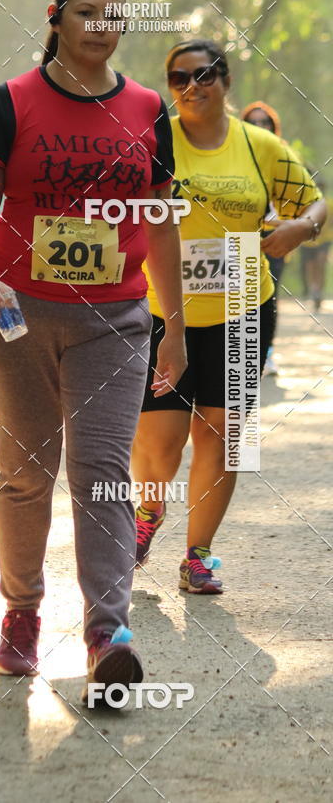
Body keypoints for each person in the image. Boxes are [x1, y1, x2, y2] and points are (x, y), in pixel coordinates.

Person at [0, 0, 187, 702]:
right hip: (18, 316)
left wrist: (174, 325)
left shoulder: (150, 109)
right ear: (55, 17)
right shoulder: (11, 102)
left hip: (114, 321)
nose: (102, 27)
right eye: (87, 12)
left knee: (102, 474)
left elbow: (159, 227)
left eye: (114, 15)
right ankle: (22, 613)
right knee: (27, 475)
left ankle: (106, 632)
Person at [132, 40, 326, 594]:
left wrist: (302, 228)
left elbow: (313, 204)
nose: (192, 85)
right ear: (169, 85)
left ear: (226, 79)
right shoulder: (155, 140)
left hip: (243, 304)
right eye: (179, 77)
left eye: (205, 74)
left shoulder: (260, 145)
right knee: (160, 441)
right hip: (164, 311)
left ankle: (199, 555)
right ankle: (147, 518)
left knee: (224, 433)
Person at [241, 101, 285, 375]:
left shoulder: (281, 156)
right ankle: (242, 354)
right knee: (243, 296)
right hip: (244, 233)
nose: (259, 127)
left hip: (274, 232)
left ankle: (266, 353)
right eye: (253, 122)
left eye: (264, 122)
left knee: (270, 294)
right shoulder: (233, 155)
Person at [300, 181, 333, 312]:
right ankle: (313, 290)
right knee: (310, 266)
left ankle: (319, 291)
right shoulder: (306, 205)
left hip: (325, 239)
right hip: (307, 240)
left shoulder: (330, 204)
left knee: (321, 263)